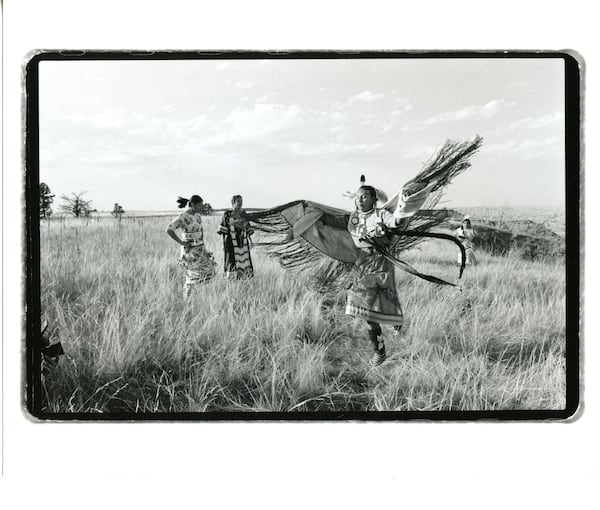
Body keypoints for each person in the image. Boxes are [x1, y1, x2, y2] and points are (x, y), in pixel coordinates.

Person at [345, 183, 410, 366]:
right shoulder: (354, 218)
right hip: (363, 264)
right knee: (368, 314)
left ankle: (384, 343)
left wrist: (402, 205)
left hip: (381, 264)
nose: (360, 200)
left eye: (364, 196)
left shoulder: (381, 214)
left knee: (375, 310)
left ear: (374, 199)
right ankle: (380, 351)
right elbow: (356, 239)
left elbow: (396, 222)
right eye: (358, 197)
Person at [166, 195, 216, 298]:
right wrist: (181, 242)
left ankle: (196, 296)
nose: (201, 208)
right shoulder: (183, 216)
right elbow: (169, 229)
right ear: (192, 204)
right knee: (192, 276)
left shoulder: (198, 216)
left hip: (200, 248)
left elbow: (200, 229)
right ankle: (186, 299)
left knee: (208, 272)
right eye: (199, 205)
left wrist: (202, 241)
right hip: (189, 250)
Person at [217, 194, 255, 279]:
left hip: (243, 242)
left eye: (241, 201)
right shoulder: (227, 214)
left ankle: (243, 280)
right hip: (231, 242)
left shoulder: (243, 214)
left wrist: (251, 241)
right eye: (238, 201)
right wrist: (223, 244)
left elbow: (248, 229)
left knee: (244, 261)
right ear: (233, 202)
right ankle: (231, 281)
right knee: (231, 261)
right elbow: (223, 230)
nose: (240, 203)